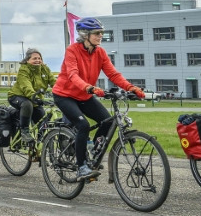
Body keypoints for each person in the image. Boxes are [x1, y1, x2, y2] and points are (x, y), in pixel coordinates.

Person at [52, 18, 145, 182]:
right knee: (83, 125)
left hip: (84, 95)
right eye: (97, 33)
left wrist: (131, 87)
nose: (100, 35)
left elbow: (113, 74)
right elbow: (73, 74)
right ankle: (81, 167)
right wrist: (90, 87)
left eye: (101, 32)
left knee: (107, 121)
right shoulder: (72, 50)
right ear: (85, 34)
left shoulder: (100, 52)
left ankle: (93, 153)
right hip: (64, 95)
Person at [7, 48, 55, 144]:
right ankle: (24, 131)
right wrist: (35, 97)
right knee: (27, 104)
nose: (37, 60)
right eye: (34, 58)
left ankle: (38, 145)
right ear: (27, 60)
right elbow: (26, 86)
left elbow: (54, 82)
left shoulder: (45, 69)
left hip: (35, 100)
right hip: (17, 96)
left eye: (39, 58)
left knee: (43, 122)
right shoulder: (23, 70)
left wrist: (64, 93)